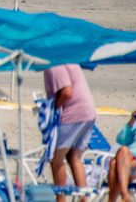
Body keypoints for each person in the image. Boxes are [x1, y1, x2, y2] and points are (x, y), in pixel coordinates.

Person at [44, 64, 97, 202]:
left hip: (73, 114)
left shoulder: (54, 63)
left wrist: (53, 107)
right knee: (74, 157)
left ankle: (60, 199)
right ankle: (84, 199)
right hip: (88, 112)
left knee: (56, 160)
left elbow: (67, 92)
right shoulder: (68, 57)